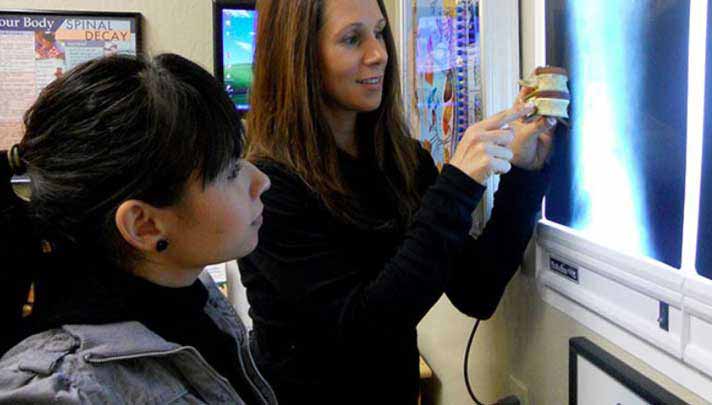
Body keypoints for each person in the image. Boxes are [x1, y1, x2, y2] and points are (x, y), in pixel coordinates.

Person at [239, 0, 558, 402]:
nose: (379, 54)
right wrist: (457, 185)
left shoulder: (403, 162)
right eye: (353, 39)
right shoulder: (269, 187)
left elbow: (477, 289)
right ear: (299, 57)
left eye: (379, 32)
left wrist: (526, 174)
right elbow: (363, 331)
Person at [0, 54, 277, 404]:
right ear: (144, 225)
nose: (262, 181)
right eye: (230, 172)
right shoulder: (69, 394)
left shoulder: (188, 290)